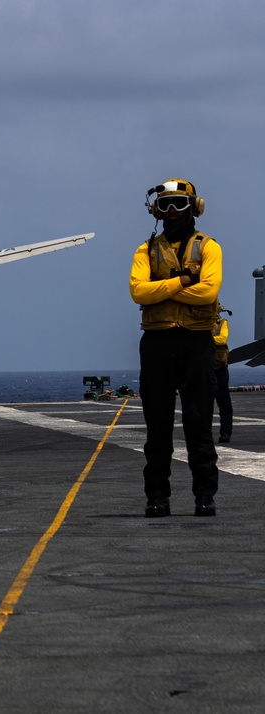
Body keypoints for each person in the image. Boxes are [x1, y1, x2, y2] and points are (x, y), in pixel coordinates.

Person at [129, 178, 222, 518]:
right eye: (164, 205)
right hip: (157, 342)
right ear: (156, 209)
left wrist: (162, 289)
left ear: (193, 207)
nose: (171, 212)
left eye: (179, 204)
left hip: (196, 343)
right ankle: (157, 497)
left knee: (199, 424)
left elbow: (208, 294)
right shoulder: (145, 249)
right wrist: (183, 281)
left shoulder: (209, 247)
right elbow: (138, 293)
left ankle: (205, 496)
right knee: (157, 428)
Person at [214, 308, 233, 443]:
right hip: (202, 367)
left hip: (220, 367)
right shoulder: (195, 322)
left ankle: (225, 432)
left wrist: (203, 337)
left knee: (224, 402)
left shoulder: (222, 323)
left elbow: (222, 339)